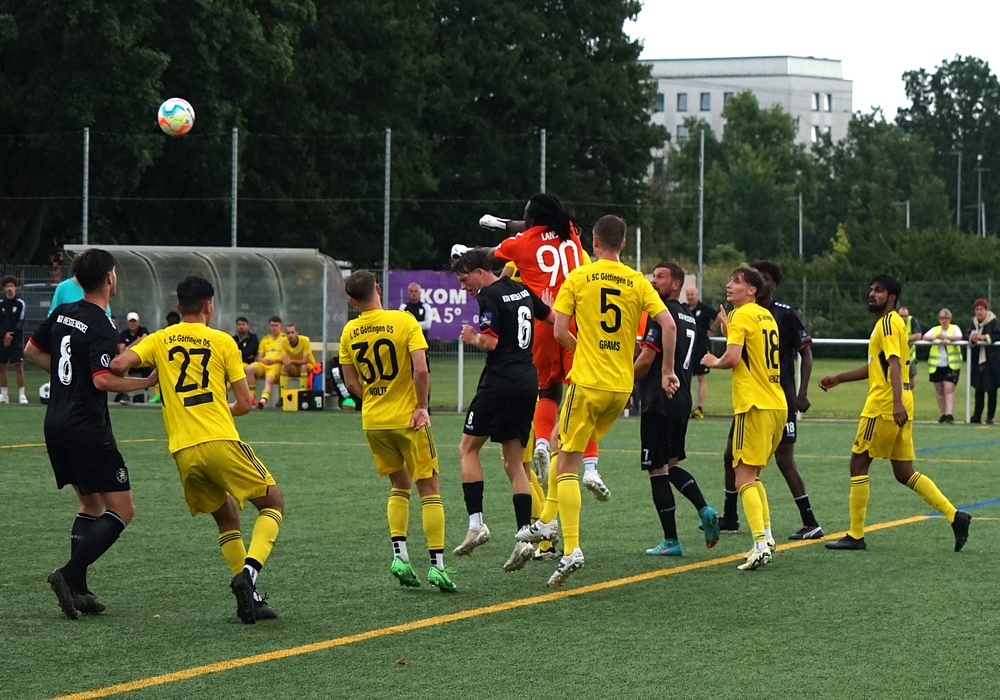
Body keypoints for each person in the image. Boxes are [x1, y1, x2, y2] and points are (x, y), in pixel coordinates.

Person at [111, 276, 285, 623]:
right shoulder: (223, 341)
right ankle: (248, 576)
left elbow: (117, 365)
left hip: (183, 450)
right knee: (273, 503)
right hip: (219, 439)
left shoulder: (160, 338)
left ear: (178, 307)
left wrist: (149, 371)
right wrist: (222, 408)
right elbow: (245, 403)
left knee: (226, 518)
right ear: (209, 305)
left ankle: (250, 599)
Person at [518, 215, 678, 588]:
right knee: (563, 448)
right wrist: (668, 371)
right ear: (623, 243)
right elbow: (668, 325)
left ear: (594, 241)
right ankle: (546, 521)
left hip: (588, 382)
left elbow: (559, 330)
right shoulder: (637, 280)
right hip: (620, 388)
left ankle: (570, 547)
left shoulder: (579, 277)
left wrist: (584, 350)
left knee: (565, 462)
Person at [24, 248, 159, 619]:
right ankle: (68, 575)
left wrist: (68, 380)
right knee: (123, 509)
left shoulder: (63, 312)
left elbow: (32, 350)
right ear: (110, 278)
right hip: (86, 426)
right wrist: (146, 381)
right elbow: (102, 380)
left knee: (90, 504)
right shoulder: (102, 324)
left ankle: (79, 588)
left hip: (55, 422)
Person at [819, 275, 971, 552]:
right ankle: (955, 515)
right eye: (871, 289)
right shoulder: (890, 323)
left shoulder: (888, 323)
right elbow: (877, 366)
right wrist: (840, 378)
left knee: (858, 465)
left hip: (884, 404)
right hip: (900, 401)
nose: (871, 293)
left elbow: (894, 364)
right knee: (904, 472)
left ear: (891, 297)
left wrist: (896, 402)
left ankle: (855, 535)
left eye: (878, 290)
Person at [481, 194, 610, 500]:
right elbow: (531, 225)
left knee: (548, 390)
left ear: (531, 220)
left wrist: (469, 251)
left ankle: (541, 441)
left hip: (544, 319)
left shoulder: (521, 244)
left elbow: (493, 253)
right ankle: (591, 466)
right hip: (576, 319)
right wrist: (502, 223)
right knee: (583, 394)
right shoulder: (570, 230)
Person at [338, 270, 455, 592]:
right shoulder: (404, 321)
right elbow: (421, 369)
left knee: (399, 485)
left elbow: (350, 382)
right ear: (377, 289)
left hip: (374, 421)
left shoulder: (349, 331)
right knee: (429, 489)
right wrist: (421, 407)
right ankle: (437, 566)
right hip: (408, 420)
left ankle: (400, 556)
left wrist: (375, 399)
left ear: (351, 301)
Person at [451, 247, 553, 573]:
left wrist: (472, 337)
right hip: (527, 381)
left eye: (465, 279)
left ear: (480, 271)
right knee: (514, 462)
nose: (464, 287)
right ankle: (524, 536)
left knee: (467, 449)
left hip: (499, 382)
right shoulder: (521, 288)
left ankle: (476, 524)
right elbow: (551, 316)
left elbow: (490, 342)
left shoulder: (488, 295)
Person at [718, 260, 822, 540]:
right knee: (733, 456)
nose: (760, 281)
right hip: (758, 399)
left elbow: (805, 351)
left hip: (775, 398)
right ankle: (732, 516)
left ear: (772, 285)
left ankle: (808, 521)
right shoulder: (750, 314)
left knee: (782, 461)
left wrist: (802, 392)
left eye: (764, 278)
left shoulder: (782, 314)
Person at [700, 266, 785, 571]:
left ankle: (760, 544)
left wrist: (714, 360)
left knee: (742, 477)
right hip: (776, 403)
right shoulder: (765, 316)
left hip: (753, 404)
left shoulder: (742, 314)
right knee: (754, 475)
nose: (729, 285)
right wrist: (727, 329)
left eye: (736, 281)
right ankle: (767, 537)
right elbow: (750, 349)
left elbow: (734, 357)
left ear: (752, 290)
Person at [633, 262, 719, 556]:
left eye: (660, 277)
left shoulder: (662, 314)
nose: (653, 280)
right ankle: (705, 509)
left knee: (656, 470)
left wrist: (621, 381)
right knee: (671, 465)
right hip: (681, 397)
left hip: (660, 398)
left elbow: (647, 361)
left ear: (675, 284)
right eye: (653, 275)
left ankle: (671, 541)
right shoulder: (688, 315)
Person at [686, 285, 724, 418]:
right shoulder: (685, 309)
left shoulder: (704, 309)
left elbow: (719, 316)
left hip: (701, 347)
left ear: (697, 295)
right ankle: (686, 406)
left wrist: (711, 328)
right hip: (687, 347)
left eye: (692, 295)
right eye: (688, 295)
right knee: (685, 377)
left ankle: (699, 408)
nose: (690, 297)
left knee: (701, 377)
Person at [923, 308, 963, 423]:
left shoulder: (954, 328)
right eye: (941, 318)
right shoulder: (936, 329)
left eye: (946, 318)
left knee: (948, 389)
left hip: (951, 364)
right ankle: (943, 414)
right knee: (939, 390)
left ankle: (949, 414)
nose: (944, 320)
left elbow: (959, 337)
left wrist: (947, 338)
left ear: (950, 319)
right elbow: (925, 337)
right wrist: (936, 337)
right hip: (937, 365)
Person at [968, 298, 1000, 424]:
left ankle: (990, 417)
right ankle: (977, 415)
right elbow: (967, 334)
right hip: (977, 361)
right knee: (978, 389)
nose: (979, 312)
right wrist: (972, 338)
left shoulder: (993, 322)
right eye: (977, 309)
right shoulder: (973, 322)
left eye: (981, 309)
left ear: (986, 310)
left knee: (991, 389)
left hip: (991, 361)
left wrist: (985, 337)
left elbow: (997, 336)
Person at [245, 316, 286, 409]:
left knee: (269, 380)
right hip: (264, 363)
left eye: (276, 325)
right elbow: (259, 356)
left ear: (281, 326)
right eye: (272, 325)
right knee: (249, 369)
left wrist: (274, 360)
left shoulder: (285, 339)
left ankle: (263, 400)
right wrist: (262, 360)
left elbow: (286, 358)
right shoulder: (265, 339)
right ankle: (252, 397)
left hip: (276, 364)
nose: (274, 328)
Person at [0, 275, 28, 404]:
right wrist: (4, 335)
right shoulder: (1, 304)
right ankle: (4, 395)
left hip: (15, 341)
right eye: (7, 286)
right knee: (2, 367)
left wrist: (11, 335)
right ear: (4, 289)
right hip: (2, 340)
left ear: (15, 288)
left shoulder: (20, 303)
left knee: (18, 366)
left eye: (11, 286)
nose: (9, 289)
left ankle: (22, 395)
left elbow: (20, 322)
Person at [115, 312, 150, 404]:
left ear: (138, 322)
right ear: (127, 322)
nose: (132, 324)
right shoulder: (124, 334)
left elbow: (144, 338)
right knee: (123, 365)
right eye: (130, 321)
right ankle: (125, 393)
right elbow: (121, 350)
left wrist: (129, 348)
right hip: (130, 362)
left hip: (142, 360)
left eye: (134, 321)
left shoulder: (143, 330)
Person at [279, 324, 317, 394]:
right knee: (284, 367)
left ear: (297, 333)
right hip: (294, 368)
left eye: (292, 332)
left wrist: (291, 361)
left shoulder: (305, 340)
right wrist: (288, 362)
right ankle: (282, 395)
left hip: (309, 366)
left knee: (303, 367)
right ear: (286, 334)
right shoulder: (284, 342)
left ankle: (302, 393)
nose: (290, 335)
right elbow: (285, 360)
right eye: (288, 333)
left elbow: (305, 361)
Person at [898, 307, 922, 393]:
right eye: (901, 316)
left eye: (905, 316)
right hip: (896, 356)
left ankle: (907, 393)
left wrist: (905, 339)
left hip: (910, 357)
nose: (903, 318)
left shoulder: (912, 321)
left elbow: (918, 335)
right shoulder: (893, 322)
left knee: (911, 381)